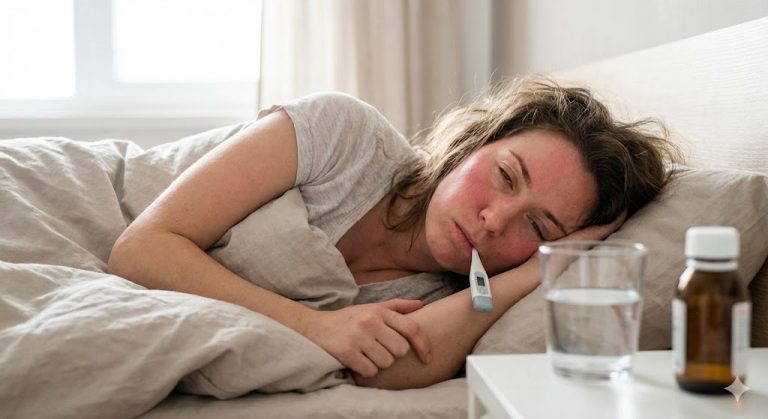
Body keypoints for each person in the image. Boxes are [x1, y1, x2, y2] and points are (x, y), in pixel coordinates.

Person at [107, 76, 679, 390]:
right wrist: (314, 325)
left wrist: (539, 270)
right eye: (505, 176)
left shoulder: (450, 299)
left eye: (537, 225)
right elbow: (141, 248)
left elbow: (384, 371)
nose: (493, 220)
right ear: (470, 145)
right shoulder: (345, 135)